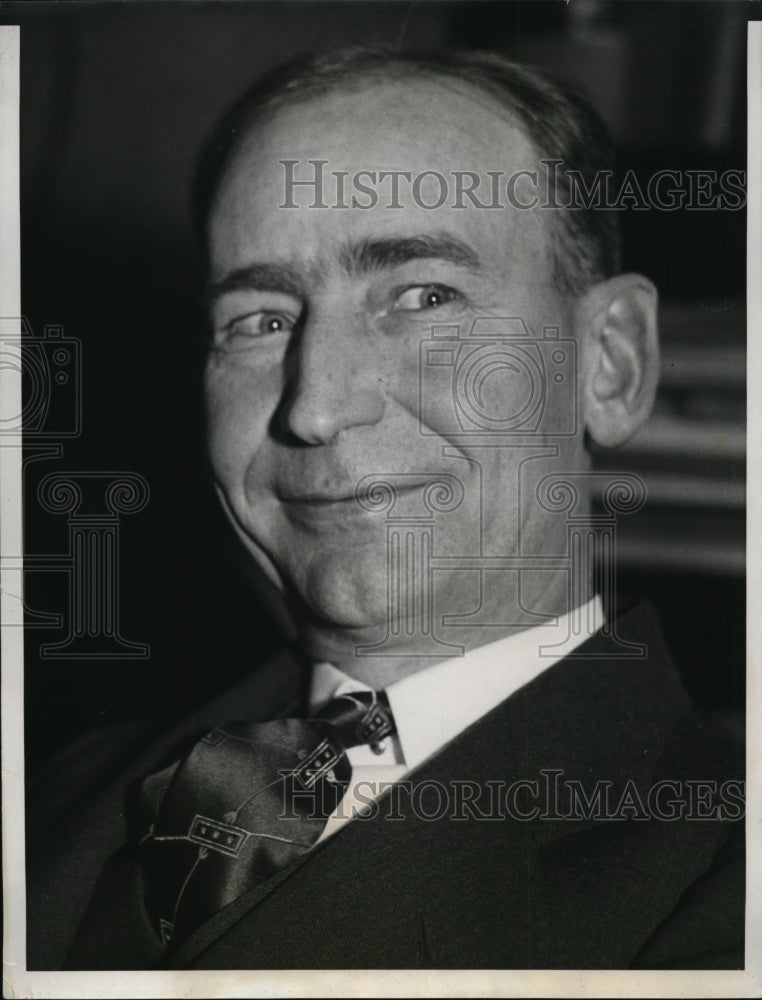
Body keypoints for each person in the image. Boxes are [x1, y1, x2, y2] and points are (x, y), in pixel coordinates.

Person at [26, 47, 744, 971]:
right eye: (262, 320)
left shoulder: (723, 884)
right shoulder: (67, 789)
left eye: (423, 296)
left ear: (610, 363)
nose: (316, 406)